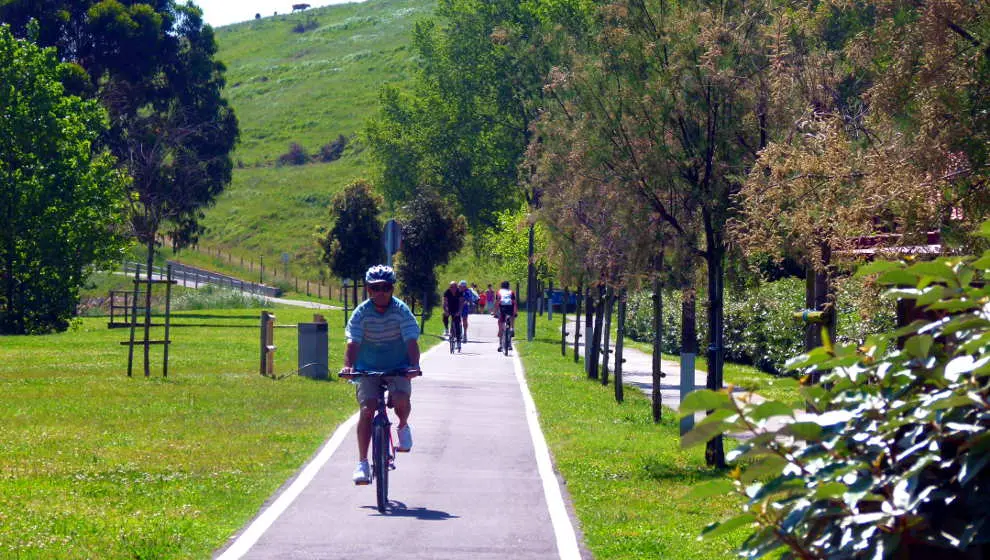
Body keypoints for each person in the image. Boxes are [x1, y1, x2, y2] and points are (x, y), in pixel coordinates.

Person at [341, 265, 421, 485]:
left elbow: (411, 341)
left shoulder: (401, 311)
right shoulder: (361, 313)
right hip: (367, 367)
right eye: (375, 288)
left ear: (392, 289)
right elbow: (353, 342)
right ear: (368, 290)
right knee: (367, 409)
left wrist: (414, 365)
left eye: (385, 288)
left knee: (402, 399)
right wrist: (348, 367)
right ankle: (362, 463)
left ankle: (403, 425)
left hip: (398, 365)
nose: (381, 292)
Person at [496, 280, 518, 352]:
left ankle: (500, 345)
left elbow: (497, 302)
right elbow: (514, 302)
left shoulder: (499, 292)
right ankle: (512, 328)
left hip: (502, 307)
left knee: (501, 324)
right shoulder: (511, 292)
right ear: (508, 286)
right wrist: (515, 312)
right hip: (510, 307)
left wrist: (495, 312)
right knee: (512, 316)